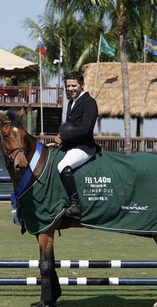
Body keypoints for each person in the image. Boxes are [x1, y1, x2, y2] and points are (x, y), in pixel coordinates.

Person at [51, 71, 100, 220]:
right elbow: (71, 126)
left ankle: (75, 206)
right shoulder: (72, 102)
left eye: (74, 85)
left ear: (82, 85)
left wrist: (62, 136)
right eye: (68, 86)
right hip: (71, 146)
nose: (70, 88)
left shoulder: (89, 102)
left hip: (84, 147)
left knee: (62, 166)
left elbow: (86, 128)